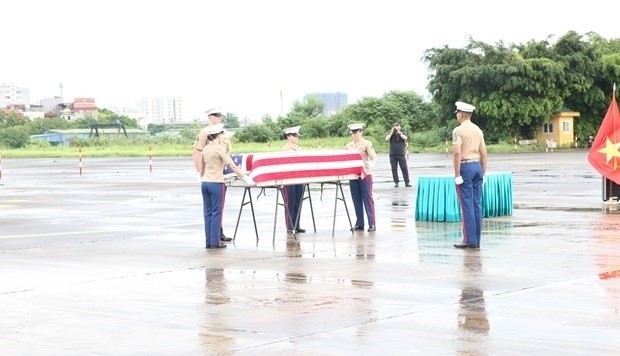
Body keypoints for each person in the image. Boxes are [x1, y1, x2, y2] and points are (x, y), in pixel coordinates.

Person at [200, 124, 248, 249]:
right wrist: (244, 176)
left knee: (207, 213)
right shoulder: (219, 149)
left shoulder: (205, 149)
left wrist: (203, 177)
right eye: (221, 134)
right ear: (218, 136)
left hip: (205, 182)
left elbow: (202, 168)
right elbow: (231, 165)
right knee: (217, 212)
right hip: (216, 183)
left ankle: (208, 242)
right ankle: (215, 242)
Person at [193, 107, 233, 243]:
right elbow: (197, 151)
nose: (218, 118)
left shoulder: (223, 132)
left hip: (222, 172)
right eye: (216, 115)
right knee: (214, 208)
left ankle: (218, 233)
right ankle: (215, 237)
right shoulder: (204, 132)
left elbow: (227, 152)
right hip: (210, 174)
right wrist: (200, 172)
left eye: (219, 115)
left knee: (220, 206)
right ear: (209, 117)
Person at [452, 101, 488, 249]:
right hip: (477, 166)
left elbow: (457, 153)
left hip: (465, 167)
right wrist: (483, 172)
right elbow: (484, 153)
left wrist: (457, 173)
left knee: (466, 205)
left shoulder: (458, 131)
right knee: (476, 204)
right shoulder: (478, 130)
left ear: (461, 114)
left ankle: (469, 240)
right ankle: (476, 239)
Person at [346, 123, 377, 232]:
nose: (354, 134)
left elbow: (373, 157)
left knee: (367, 199)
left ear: (361, 132)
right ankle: (359, 223)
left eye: (356, 132)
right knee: (356, 199)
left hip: (365, 175)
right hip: (353, 175)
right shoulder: (349, 145)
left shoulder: (367, 143)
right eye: (353, 133)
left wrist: (369, 165)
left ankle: (372, 223)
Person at [281, 126, 306, 234]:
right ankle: (290, 226)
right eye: (294, 135)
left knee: (298, 202)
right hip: (289, 178)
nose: (296, 138)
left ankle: (297, 224)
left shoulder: (299, 149)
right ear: (288, 136)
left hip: (299, 177)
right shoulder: (284, 150)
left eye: (297, 136)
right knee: (290, 202)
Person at [385, 122, 411, 187]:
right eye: (395, 126)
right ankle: (396, 182)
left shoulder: (402, 132)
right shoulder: (391, 133)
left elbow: (405, 138)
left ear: (400, 126)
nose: (397, 127)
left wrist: (399, 133)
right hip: (393, 154)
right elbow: (386, 139)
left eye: (398, 126)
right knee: (394, 169)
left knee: (404, 168)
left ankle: (407, 182)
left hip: (401, 154)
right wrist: (391, 132)